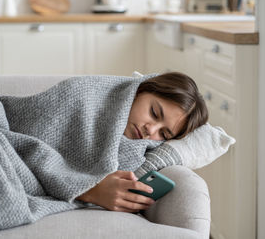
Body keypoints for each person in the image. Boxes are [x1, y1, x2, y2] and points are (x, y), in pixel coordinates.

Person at [77, 72, 208, 213]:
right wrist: (91, 191)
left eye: (163, 133)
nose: (150, 130)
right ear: (141, 90)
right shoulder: (82, 93)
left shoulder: (139, 155)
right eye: (154, 113)